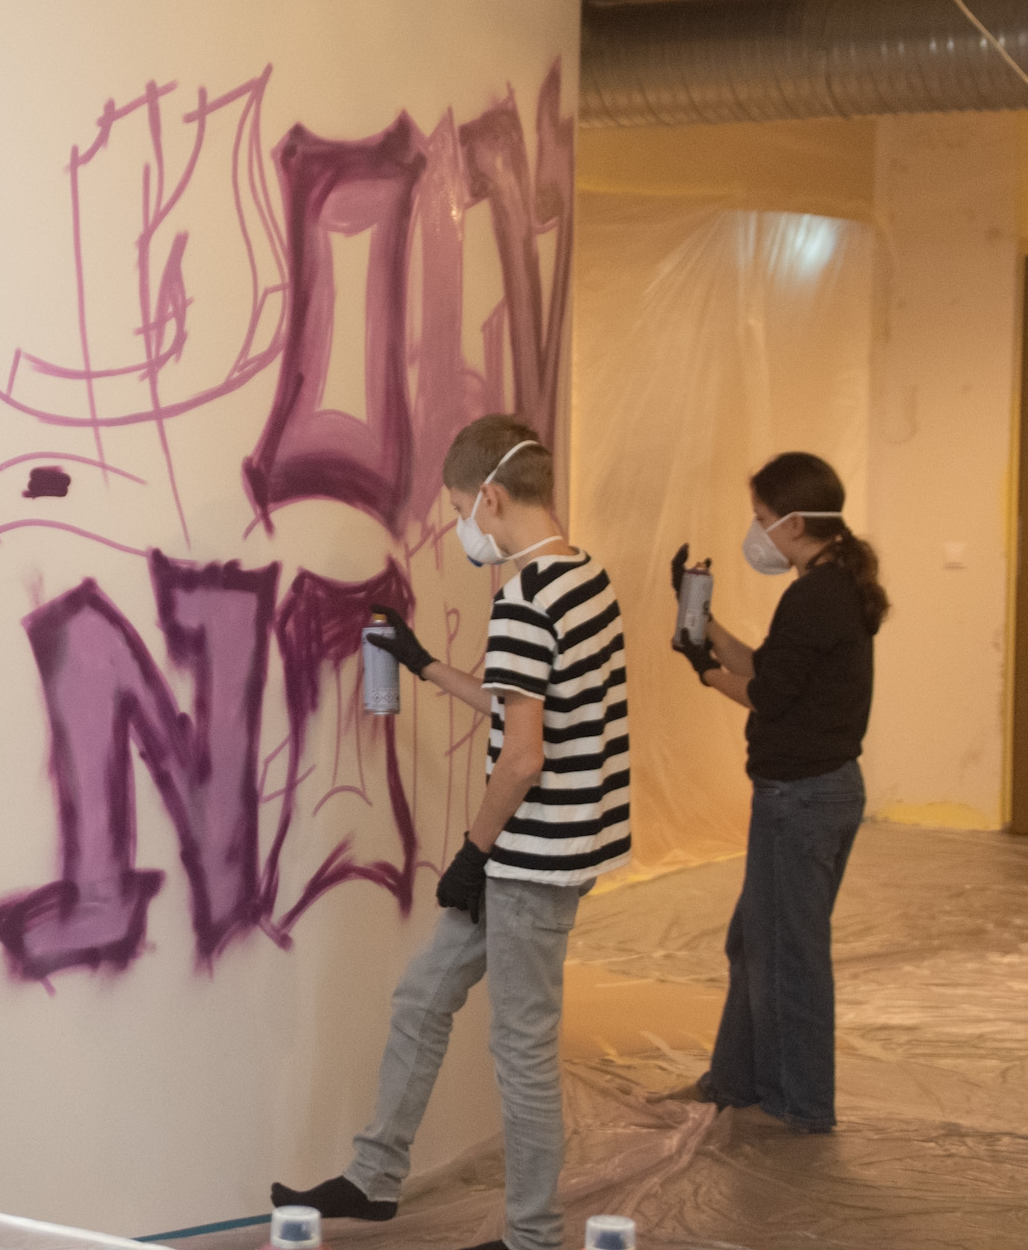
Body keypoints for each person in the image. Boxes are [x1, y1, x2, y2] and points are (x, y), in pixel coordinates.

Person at [271, 416, 631, 1250]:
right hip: (544, 849)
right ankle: (374, 1177)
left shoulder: (526, 598)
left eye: (463, 509)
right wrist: (423, 662)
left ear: (492, 498)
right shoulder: (585, 577)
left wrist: (473, 851)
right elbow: (520, 707)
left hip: (530, 858)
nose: (464, 527)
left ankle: (533, 1237)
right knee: (422, 997)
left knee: (522, 1050)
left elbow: (523, 756)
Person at [670, 452, 884, 1133]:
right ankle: (736, 1081)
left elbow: (765, 692)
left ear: (794, 522)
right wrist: (703, 623)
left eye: (761, 518)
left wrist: (703, 670)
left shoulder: (815, 595)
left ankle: (798, 1105)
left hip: (801, 798)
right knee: (755, 941)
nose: (755, 531)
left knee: (787, 955)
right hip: (816, 793)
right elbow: (769, 664)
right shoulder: (831, 587)